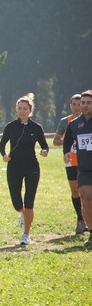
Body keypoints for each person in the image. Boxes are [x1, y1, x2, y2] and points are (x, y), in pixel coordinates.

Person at [0, 93, 49, 246]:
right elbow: (1, 145)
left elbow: (45, 145)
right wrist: (4, 155)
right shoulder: (10, 126)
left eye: (24, 109)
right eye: (19, 108)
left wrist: (45, 151)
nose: (22, 111)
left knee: (29, 201)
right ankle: (22, 213)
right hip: (14, 166)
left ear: (30, 110)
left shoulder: (36, 127)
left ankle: (26, 234)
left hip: (32, 166)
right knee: (17, 202)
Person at [53, 94, 86, 234]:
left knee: (87, 191)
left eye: (80, 104)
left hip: (86, 160)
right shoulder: (65, 121)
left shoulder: (88, 120)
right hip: (71, 161)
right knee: (75, 191)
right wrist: (69, 142)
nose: (77, 107)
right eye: (75, 104)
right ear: (70, 106)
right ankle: (80, 220)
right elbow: (56, 141)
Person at [63, 89, 92, 246]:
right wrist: (67, 152)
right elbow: (67, 140)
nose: (85, 106)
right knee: (86, 200)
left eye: (89, 103)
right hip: (85, 169)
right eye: (83, 103)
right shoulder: (75, 124)